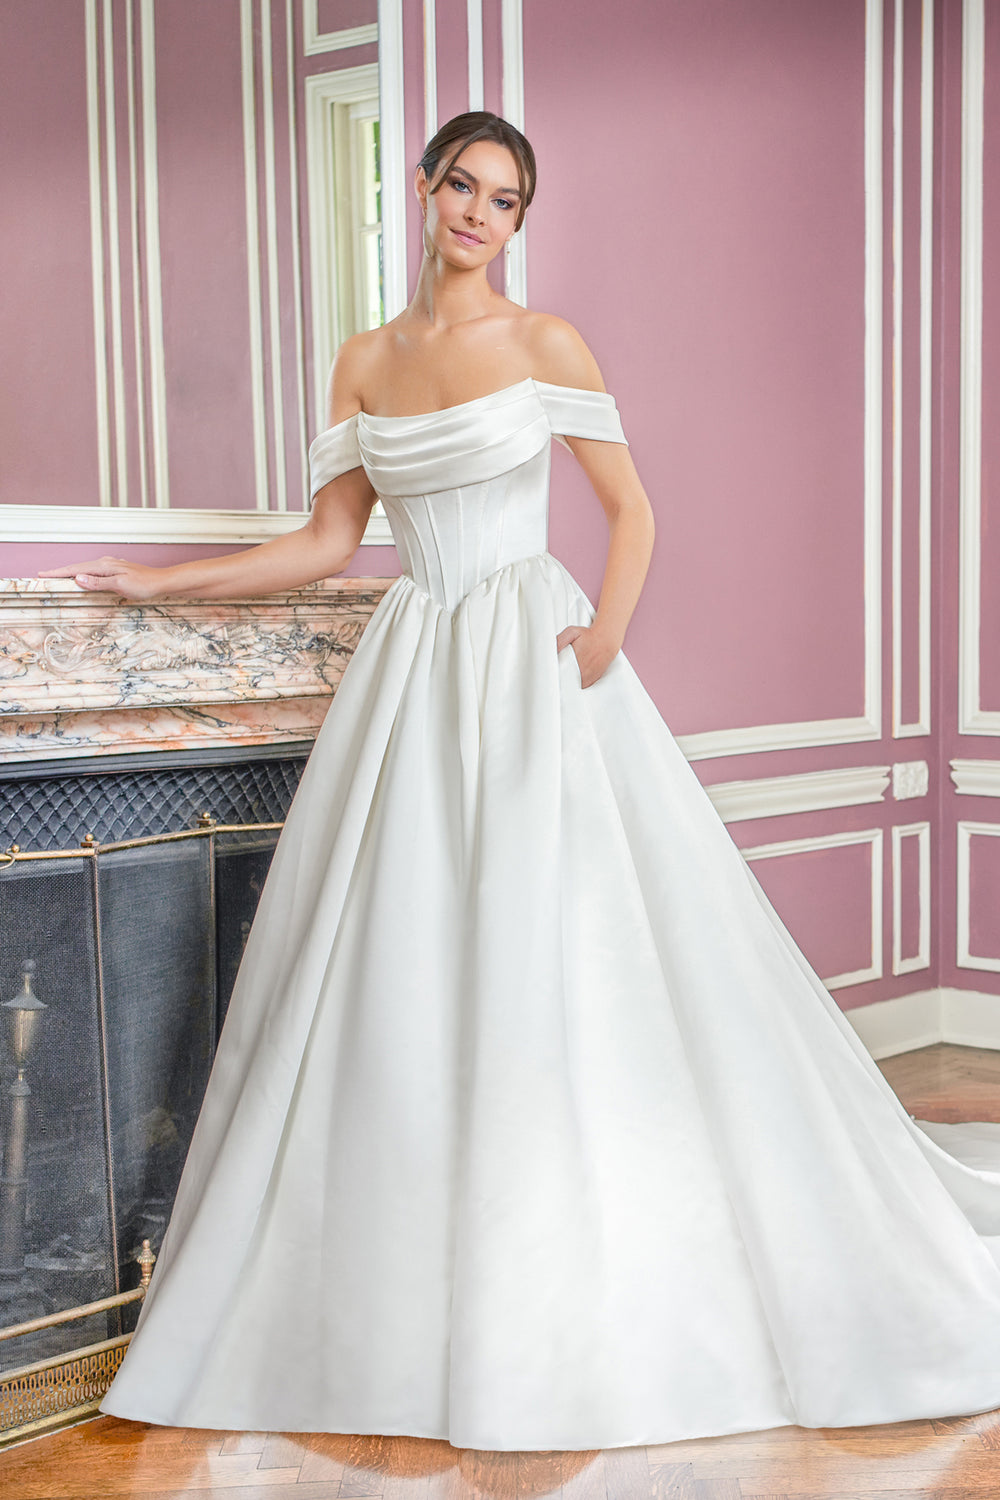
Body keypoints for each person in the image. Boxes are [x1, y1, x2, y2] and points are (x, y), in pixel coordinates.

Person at [41, 112, 1000, 1454]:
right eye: (464, 186)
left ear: (516, 220)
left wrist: (605, 634)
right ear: (424, 188)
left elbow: (633, 509)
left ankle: (567, 1248)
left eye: (505, 199)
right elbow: (328, 543)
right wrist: (160, 586)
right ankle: (420, 1256)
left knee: (557, 942)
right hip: (416, 665)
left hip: (528, 658)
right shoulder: (364, 360)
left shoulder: (547, 343)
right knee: (407, 957)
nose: (480, 215)